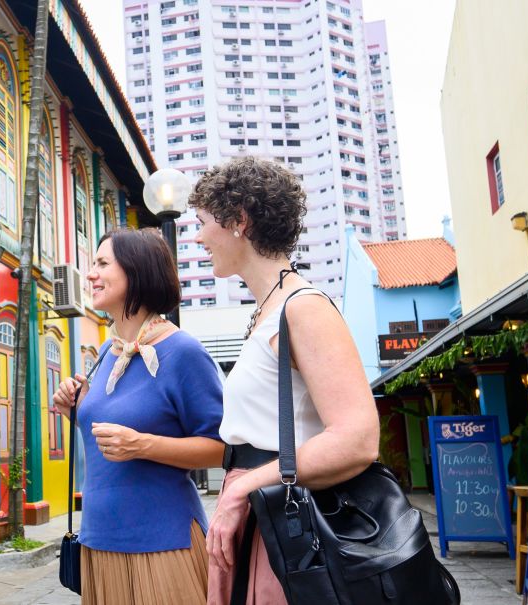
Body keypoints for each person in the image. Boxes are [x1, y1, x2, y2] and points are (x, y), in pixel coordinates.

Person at [189, 157, 380, 604]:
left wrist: (244, 487)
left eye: (201, 223)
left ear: (239, 220)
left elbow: (358, 439)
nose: (197, 237)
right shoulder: (270, 310)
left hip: (285, 518)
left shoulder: (303, 307)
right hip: (264, 511)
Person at [52, 228, 225, 604]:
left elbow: (222, 447)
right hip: (99, 539)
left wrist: (142, 445)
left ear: (137, 271)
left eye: (101, 263)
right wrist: (75, 408)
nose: (91, 274)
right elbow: (107, 438)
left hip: (163, 540)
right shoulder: (105, 352)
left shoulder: (182, 352)